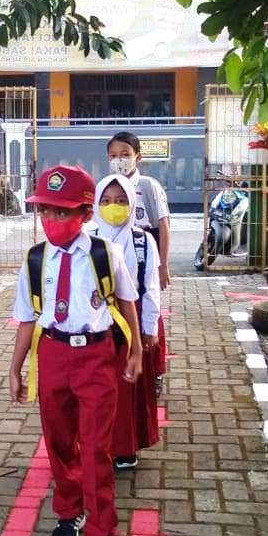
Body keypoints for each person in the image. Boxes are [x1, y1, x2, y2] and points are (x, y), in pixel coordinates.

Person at [9, 165, 143, 536]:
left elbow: (126, 303)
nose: (52, 222)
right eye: (45, 212)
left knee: (96, 450)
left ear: (86, 213)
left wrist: (136, 350)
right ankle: (70, 511)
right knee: (59, 441)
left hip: (95, 357)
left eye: (62, 213)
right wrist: (16, 368)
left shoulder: (105, 254)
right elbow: (28, 318)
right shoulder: (35, 259)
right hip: (51, 355)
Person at [92, 174, 161, 470]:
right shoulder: (87, 236)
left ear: (132, 204)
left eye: (121, 201)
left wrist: (149, 328)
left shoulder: (143, 241)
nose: (114, 207)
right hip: (93, 324)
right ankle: (94, 445)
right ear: (96, 204)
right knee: (94, 389)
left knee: (125, 388)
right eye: (106, 201)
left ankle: (124, 447)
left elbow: (151, 285)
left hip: (128, 326)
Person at [107, 131, 171, 391]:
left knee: (149, 313)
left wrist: (163, 265)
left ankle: (154, 372)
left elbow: (163, 225)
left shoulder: (148, 186)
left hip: (144, 255)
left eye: (125, 154)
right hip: (115, 258)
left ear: (138, 157)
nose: (119, 160)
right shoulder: (107, 185)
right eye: (113, 156)